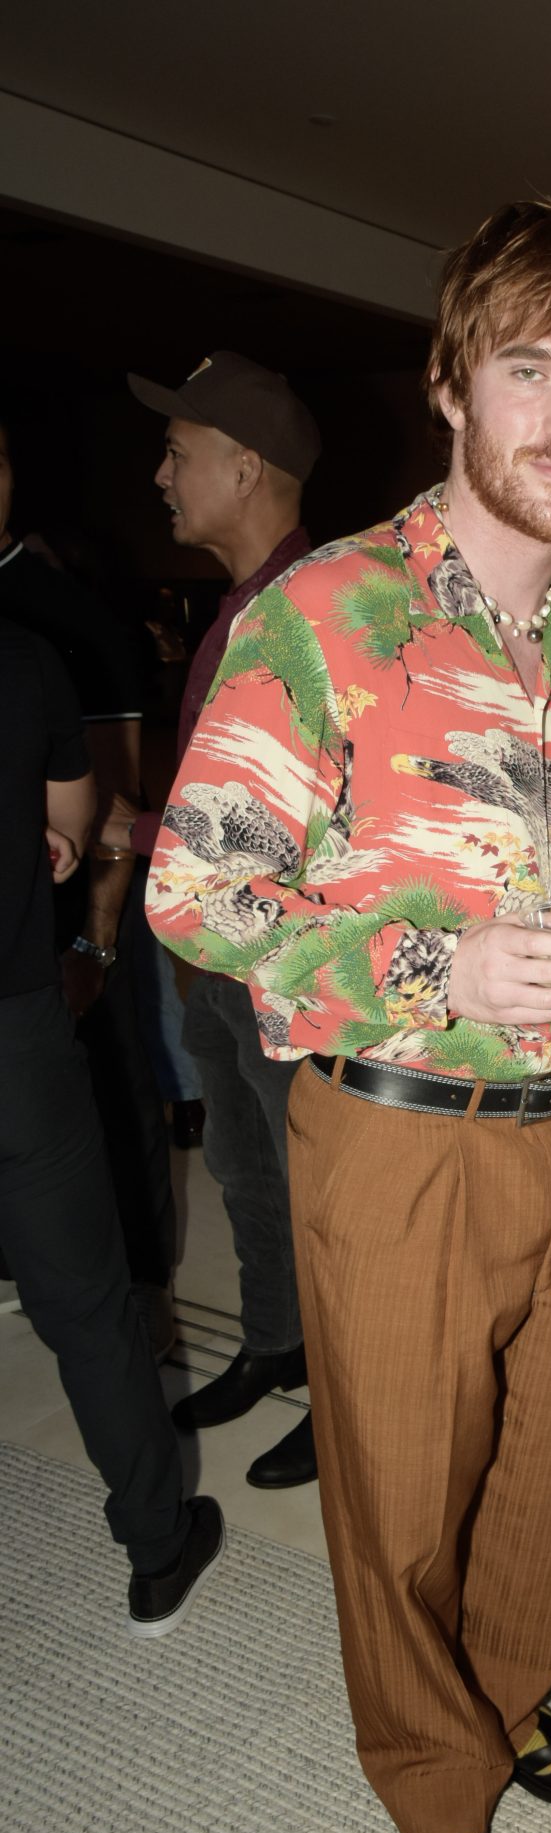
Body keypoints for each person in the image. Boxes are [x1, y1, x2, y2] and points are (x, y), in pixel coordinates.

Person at [146, 200, 551, 1833]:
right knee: (407, 1492)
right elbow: (194, 891)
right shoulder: (332, 606)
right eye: (530, 367)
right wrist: (440, 969)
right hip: (395, 1133)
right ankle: (436, 1790)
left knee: (542, 1473)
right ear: (450, 385)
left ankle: (503, 1702)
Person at [109, 354, 322, 1484]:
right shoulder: (240, 606)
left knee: (311, 1188)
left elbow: (273, 824)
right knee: (242, 1169)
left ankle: (345, 1392)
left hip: (285, 964)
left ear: (244, 469)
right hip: (219, 956)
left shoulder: (309, 610)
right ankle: (275, 1340)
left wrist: (134, 829)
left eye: (177, 453)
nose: (160, 475)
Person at [0, 616, 223, 1635]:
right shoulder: (19, 653)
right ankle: (157, 1548)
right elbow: (71, 820)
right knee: (88, 1301)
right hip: (13, 1031)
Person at [0, 414, 177, 1359]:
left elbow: (113, 804)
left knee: (113, 1090)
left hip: (65, 933)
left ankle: (138, 1301)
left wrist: (96, 942)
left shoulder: (59, 617)